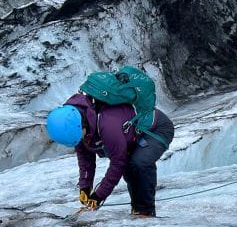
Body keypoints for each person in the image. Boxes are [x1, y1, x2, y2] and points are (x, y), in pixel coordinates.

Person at [45, 92, 174, 217]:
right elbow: (86, 158)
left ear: (82, 125)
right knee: (130, 168)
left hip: (156, 129)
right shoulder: (77, 121)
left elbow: (118, 163)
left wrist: (98, 195)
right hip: (132, 135)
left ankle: (145, 212)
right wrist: (85, 186)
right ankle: (138, 208)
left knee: (139, 163)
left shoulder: (107, 126)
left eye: (80, 136)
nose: (80, 140)